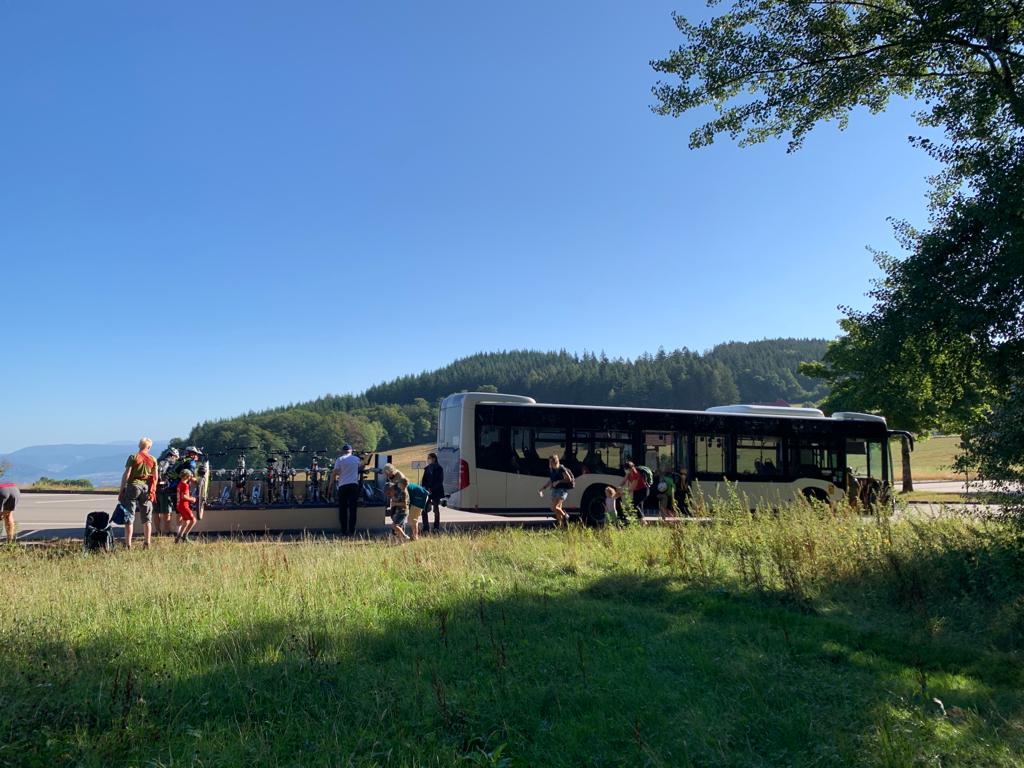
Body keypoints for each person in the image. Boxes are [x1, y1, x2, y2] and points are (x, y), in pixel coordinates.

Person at [118, 437, 158, 550]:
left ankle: (128, 544)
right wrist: (152, 491)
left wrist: (121, 490)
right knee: (147, 518)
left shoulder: (133, 457)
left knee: (129, 516)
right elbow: (155, 477)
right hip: (146, 488)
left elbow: (127, 474)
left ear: (139, 446)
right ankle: (147, 543)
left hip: (133, 486)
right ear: (149, 447)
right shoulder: (153, 459)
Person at [332, 444, 362, 536]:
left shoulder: (340, 459)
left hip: (343, 485)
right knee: (353, 509)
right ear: (351, 451)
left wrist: (331, 482)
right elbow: (361, 468)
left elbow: (335, 472)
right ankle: (352, 530)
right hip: (354, 485)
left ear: (343, 451)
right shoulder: (357, 459)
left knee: (343, 509)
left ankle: (344, 530)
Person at [538, 455, 572, 527]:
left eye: (550, 462)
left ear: (555, 462)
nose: (549, 463)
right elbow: (550, 481)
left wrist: (559, 481)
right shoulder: (552, 469)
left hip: (561, 491)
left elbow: (569, 479)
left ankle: (566, 516)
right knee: (557, 511)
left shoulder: (561, 468)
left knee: (554, 508)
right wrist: (542, 489)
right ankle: (561, 526)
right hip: (555, 491)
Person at [154, 447, 180, 536]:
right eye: (176, 457)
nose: (176, 459)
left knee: (156, 512)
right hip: (165, 489)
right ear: (173, 455)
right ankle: (167, 532)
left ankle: (158, 532)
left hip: (155, 489)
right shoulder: (171, 462)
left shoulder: (159, 461)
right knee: (166, 512)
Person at [383, 464, 412, 543]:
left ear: (390, 472)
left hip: (401, 501)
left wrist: (395, 502)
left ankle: (401, 537)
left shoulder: (400, 477)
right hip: (396, 499)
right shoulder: (391, 476)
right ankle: (398, 537)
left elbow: (402, 489)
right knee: (396, 520)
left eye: (387, 473)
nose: (386, 475)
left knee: (398, 522)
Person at [421, 452, 444, 534]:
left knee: (436, 509)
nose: (428, 460)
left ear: (434, 459)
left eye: (429, 458)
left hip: (436, 492)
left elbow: (440, 481)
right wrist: (425, 488)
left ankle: (436, 527)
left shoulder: (439, 468)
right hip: (427, 492)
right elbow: (423, 480)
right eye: (428, 458)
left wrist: (432, 488)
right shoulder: (427, 468)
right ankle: (425, 527)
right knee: (424, 510)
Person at [620, 460, 650, 524]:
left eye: (626, 469)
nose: (625, 470)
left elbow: (631, 489)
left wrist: (622, 493)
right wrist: (619, 486)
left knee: (633, 505)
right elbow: (624, 481)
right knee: (637, 505)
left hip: (643, 491)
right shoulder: (629, 472)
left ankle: (643, 521)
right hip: (637, 491)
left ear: (630, 468)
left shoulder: (636, 475)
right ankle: (640, 521)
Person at [175, 468, 198, 542]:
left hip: (179, 506)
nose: (190, 477)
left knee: (186, 521)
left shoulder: (180, 484)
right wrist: (192, 499)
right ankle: (185, 536)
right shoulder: (185, 485)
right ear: (187, 476)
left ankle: (178, 537)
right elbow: (183, 496)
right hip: (184, 506)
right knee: (193, 520)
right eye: (190, 476)